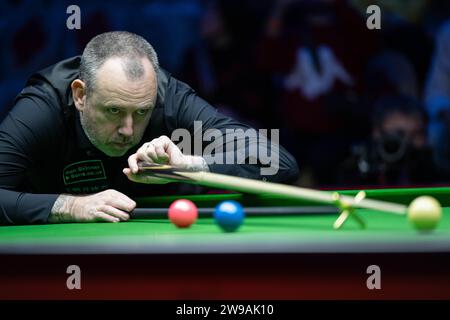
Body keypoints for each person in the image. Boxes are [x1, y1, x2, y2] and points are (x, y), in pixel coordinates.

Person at [0, 31, 298, 225]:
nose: (128, 130)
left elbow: (279, 162)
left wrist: (190, 165)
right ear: (81, 95)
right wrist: (70, 207)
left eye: (141, 112)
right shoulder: (43, 108)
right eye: (114, 110)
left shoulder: (169, 99)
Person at [338, 95, 441, 187]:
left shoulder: (432, 170)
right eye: (399, 134)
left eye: (416, 135)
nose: (406, 143)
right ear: (376, 132)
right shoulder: (357, 168)